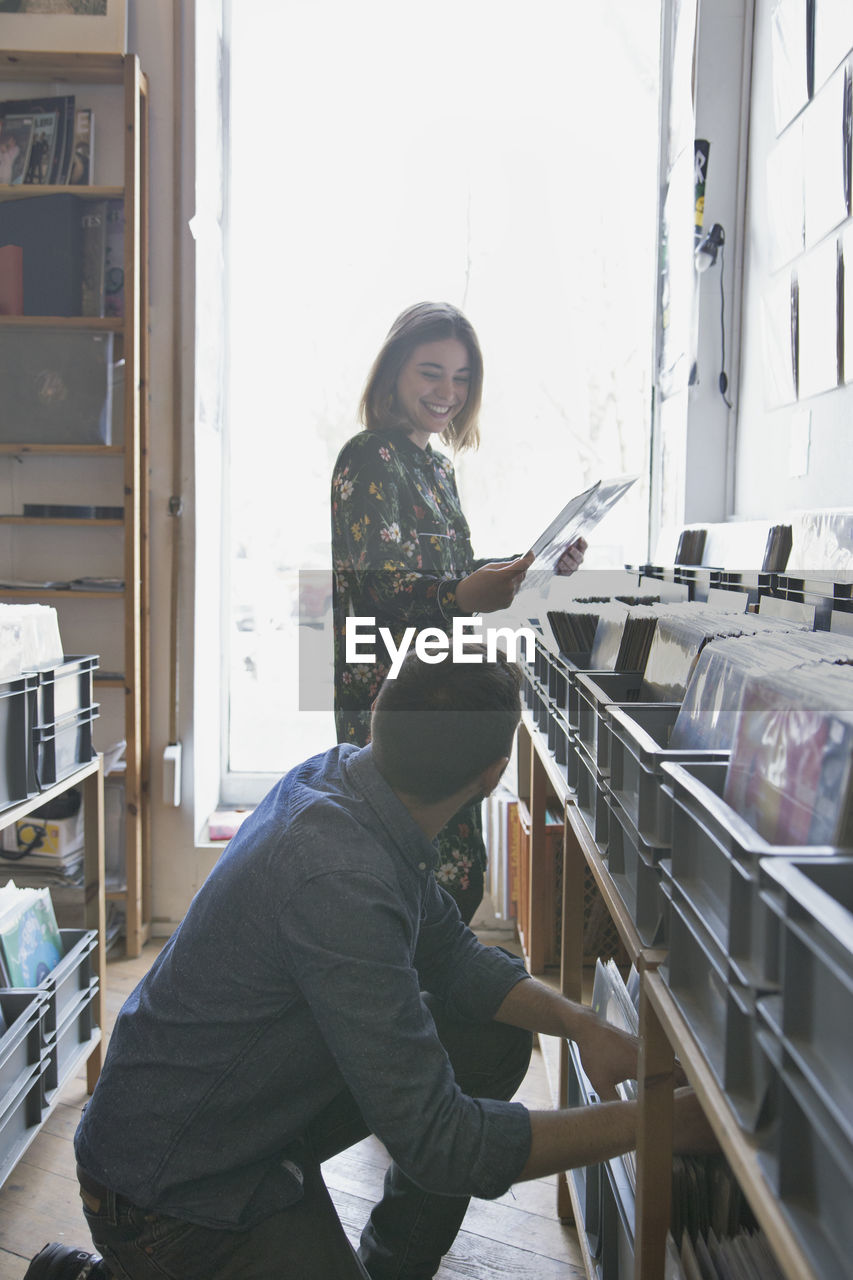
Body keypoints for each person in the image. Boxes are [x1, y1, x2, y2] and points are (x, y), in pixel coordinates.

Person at [72, 650, 712, 1280]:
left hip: (229, 1123)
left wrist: (583, 1026)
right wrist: (653, 1124)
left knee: (490, 1039)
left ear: (378, 708)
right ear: (493, 775)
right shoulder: (342, 878)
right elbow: (443, 1143)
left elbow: (452, 955)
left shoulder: (345, 783)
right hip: (169, 1196)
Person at [332, 301, 585, 921]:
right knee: (407, 878)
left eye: (462, 376)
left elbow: (451, 573)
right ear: (393, 372)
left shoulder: (437, 470)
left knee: (457, 872)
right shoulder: (369, 456)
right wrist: (458, 596)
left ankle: (431, 1001)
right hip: (389, 696)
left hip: (441, 684)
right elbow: (381, 586)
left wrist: (529, 564)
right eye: (431, 372)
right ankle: (401, 1005)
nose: (447, 391)